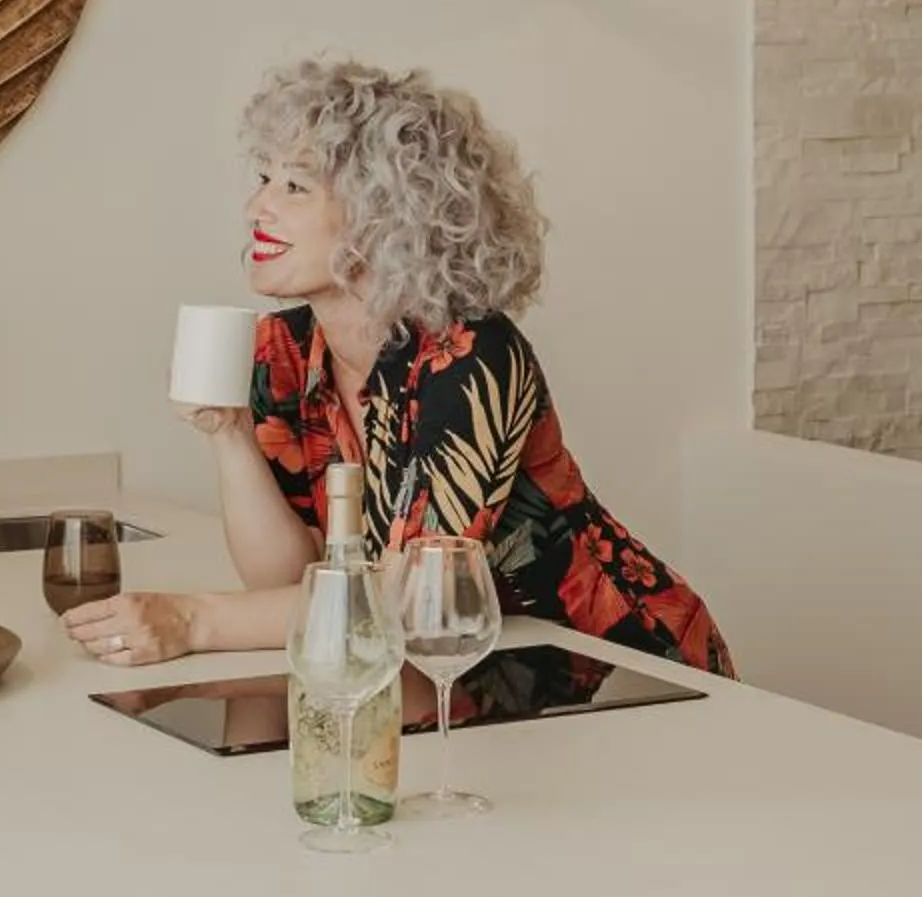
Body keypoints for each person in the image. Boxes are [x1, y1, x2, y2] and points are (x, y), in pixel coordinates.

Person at [64, 59, 733, 677]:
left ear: (386, 217)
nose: (256, 208)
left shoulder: (471, 355)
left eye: (295, 186)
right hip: (463, 676)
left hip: (619, 670)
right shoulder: (284, 351)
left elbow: (413, 597)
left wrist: (191, 619)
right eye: (264, 178)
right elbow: (287, 582)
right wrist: (229, 433)